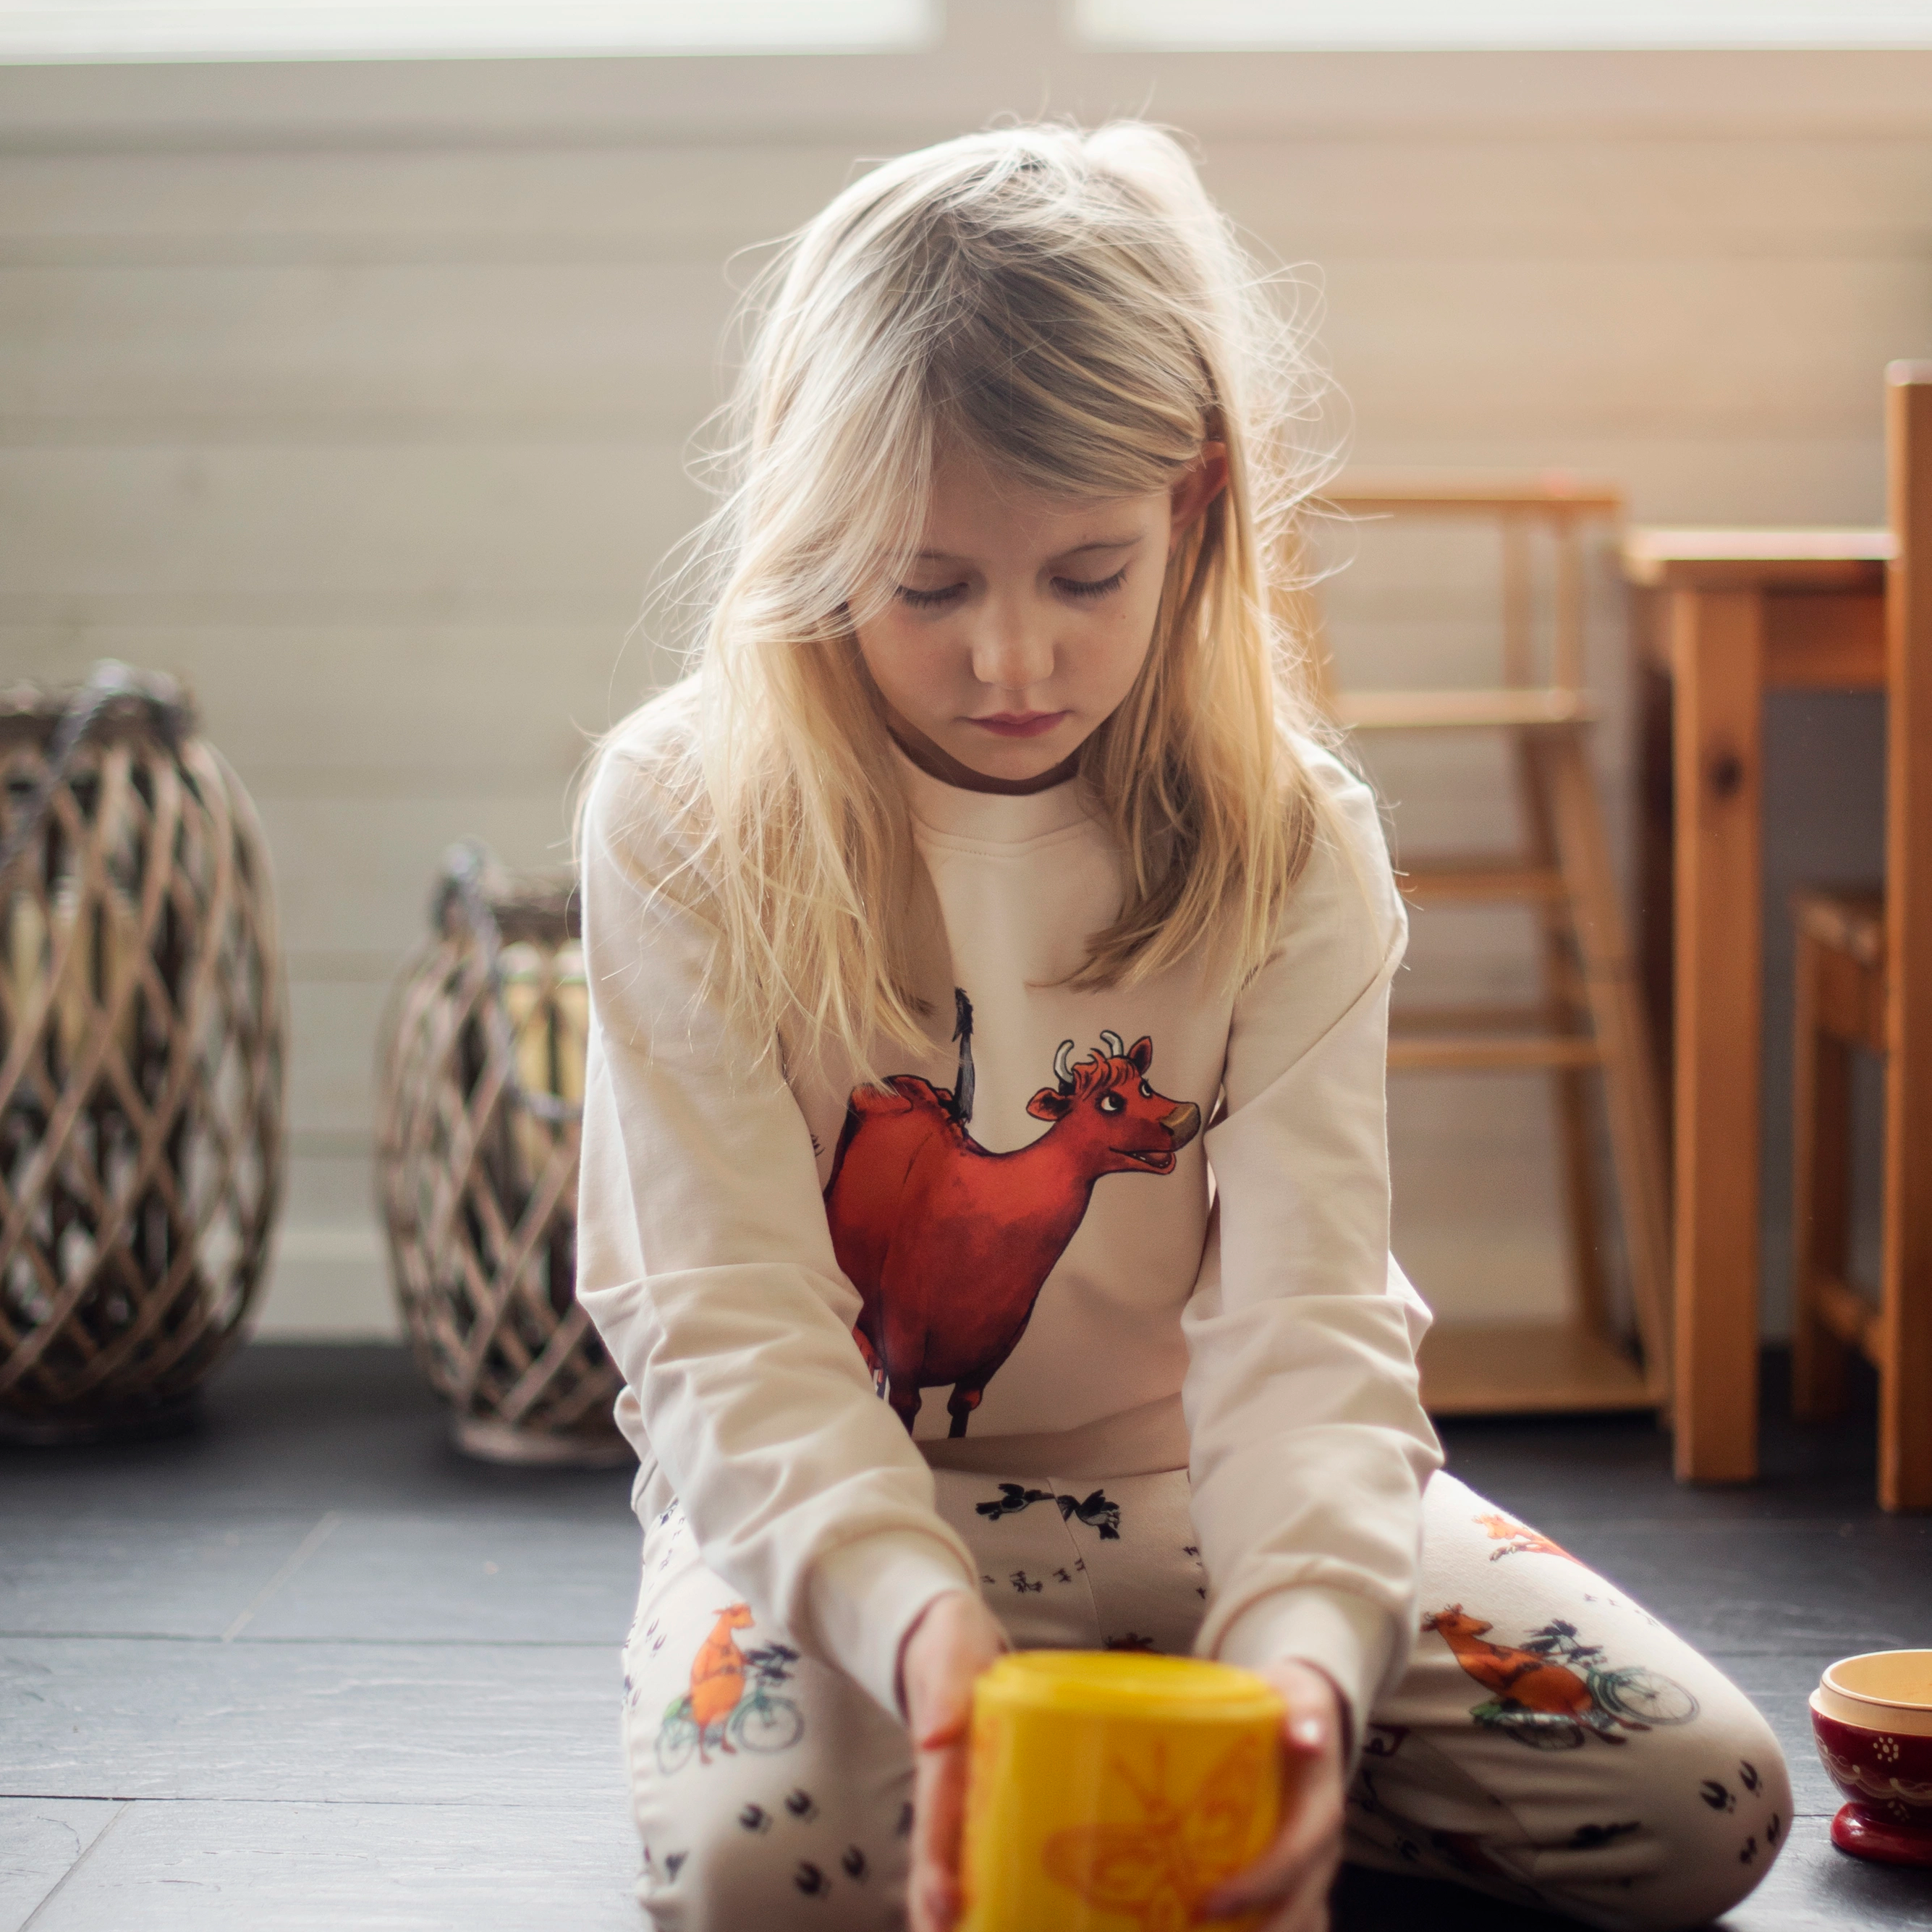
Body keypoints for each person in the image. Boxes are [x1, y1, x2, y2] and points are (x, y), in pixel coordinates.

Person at [575, 122, 1788, 1932]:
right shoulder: (684, 813)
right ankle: (1044, 1772)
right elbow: (726, 1329)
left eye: (1086, 577)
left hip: (1193, 1500)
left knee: (1707, 1801)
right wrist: (919, 1630)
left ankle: (1176, 1787)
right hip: (832, 1529)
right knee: (764, 1880)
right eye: (927, 585)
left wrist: (1299, 1671)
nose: (1013, 664)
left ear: (1193, 509)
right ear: (815, 528)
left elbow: (1310, 1338)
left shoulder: (1295, 844)